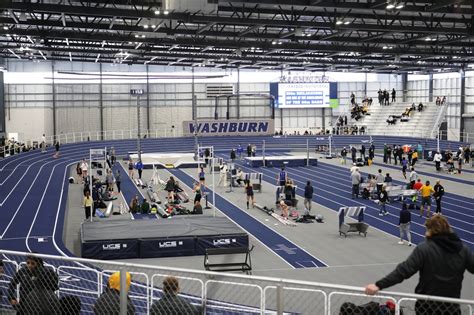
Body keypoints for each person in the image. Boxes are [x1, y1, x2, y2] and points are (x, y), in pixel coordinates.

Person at [365, 215, 474, 315]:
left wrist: (379, 285)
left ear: (431, 230)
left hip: (427, 307)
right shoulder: (462, 250)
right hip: (451, 307)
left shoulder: (425, 248)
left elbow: (404, 270)